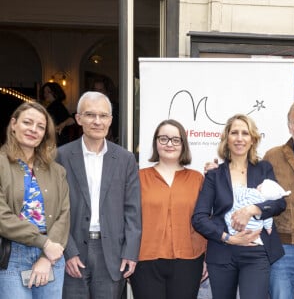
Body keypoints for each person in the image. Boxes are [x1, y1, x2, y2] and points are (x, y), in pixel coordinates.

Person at [56, 91, 141, 299]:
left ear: (110, 120)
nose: (97, 121)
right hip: (73, 249)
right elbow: (54, 209)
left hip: (111, 253)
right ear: (78, 118)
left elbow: (133, 210)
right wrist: (68, 251)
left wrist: (130, 252)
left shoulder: (125, 159)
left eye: (103, 116)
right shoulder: (61, 156)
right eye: (90, 115)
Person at [192, 113, 286, 299]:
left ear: (253, 139)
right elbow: (199, 218)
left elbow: (279, 202)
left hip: (256, 253)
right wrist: (229, 238)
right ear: (227, 139)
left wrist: (253, 209)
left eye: (245, 133)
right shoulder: (214, 175)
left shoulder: (264, 168)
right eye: (234, 132)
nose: (240, 138)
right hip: (222, 253)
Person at [130, 119, 207, 299]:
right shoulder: (138, 178)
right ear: (156, 143)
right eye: (163, 138)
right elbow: (129, 219)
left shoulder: (197, 179)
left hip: (189, 260)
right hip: (145, 261)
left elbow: (205, 220)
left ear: (183, 144)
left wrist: (207, 258)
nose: (169, 144)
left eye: (175, 139)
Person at [0, 102, 70, 298]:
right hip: (11, 255)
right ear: (13, 124)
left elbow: (63, 215)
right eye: (27, 123)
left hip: (51, 256)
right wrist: (44, 243)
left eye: (40, 127)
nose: (34, 130)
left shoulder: (57, 171)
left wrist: (47, 255)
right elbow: (2, 216)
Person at [264, 100, 294, 299]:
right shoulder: (273, 156)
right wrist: (218, 171)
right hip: (283, 248)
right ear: (289, 126)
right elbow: (254, 190)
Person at [225, 179, 291, 245]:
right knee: (257, 226)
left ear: (261, 188)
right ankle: (254, 239)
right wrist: (268, 228)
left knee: (229, 216)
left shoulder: (250, 192)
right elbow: (268, 217)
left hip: (235, 221)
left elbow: (236, 193)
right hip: (254, 228)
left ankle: (232, 234)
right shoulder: (265, 202)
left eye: (262, 184)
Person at [39, 82, 75, 146]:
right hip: (59, 142)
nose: (45, 94)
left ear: (55, 92)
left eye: (48, 92)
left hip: (57, 143)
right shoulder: (57, 105)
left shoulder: (56, 106)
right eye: (44, 92)